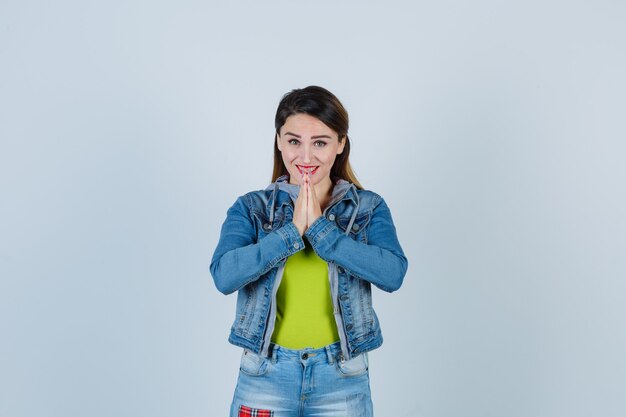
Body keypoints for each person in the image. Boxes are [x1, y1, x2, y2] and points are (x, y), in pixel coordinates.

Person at [210, 86, 408, 417]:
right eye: (293, 141)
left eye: (320, 142)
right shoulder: (251, 208)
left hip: (342, 376)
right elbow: (224, 275)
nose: (305, 157)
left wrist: (320, 230)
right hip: (265, 375)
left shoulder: (368, 208)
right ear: (278, 141)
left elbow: (393, 274)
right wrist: (292, 232)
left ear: (341, 143)